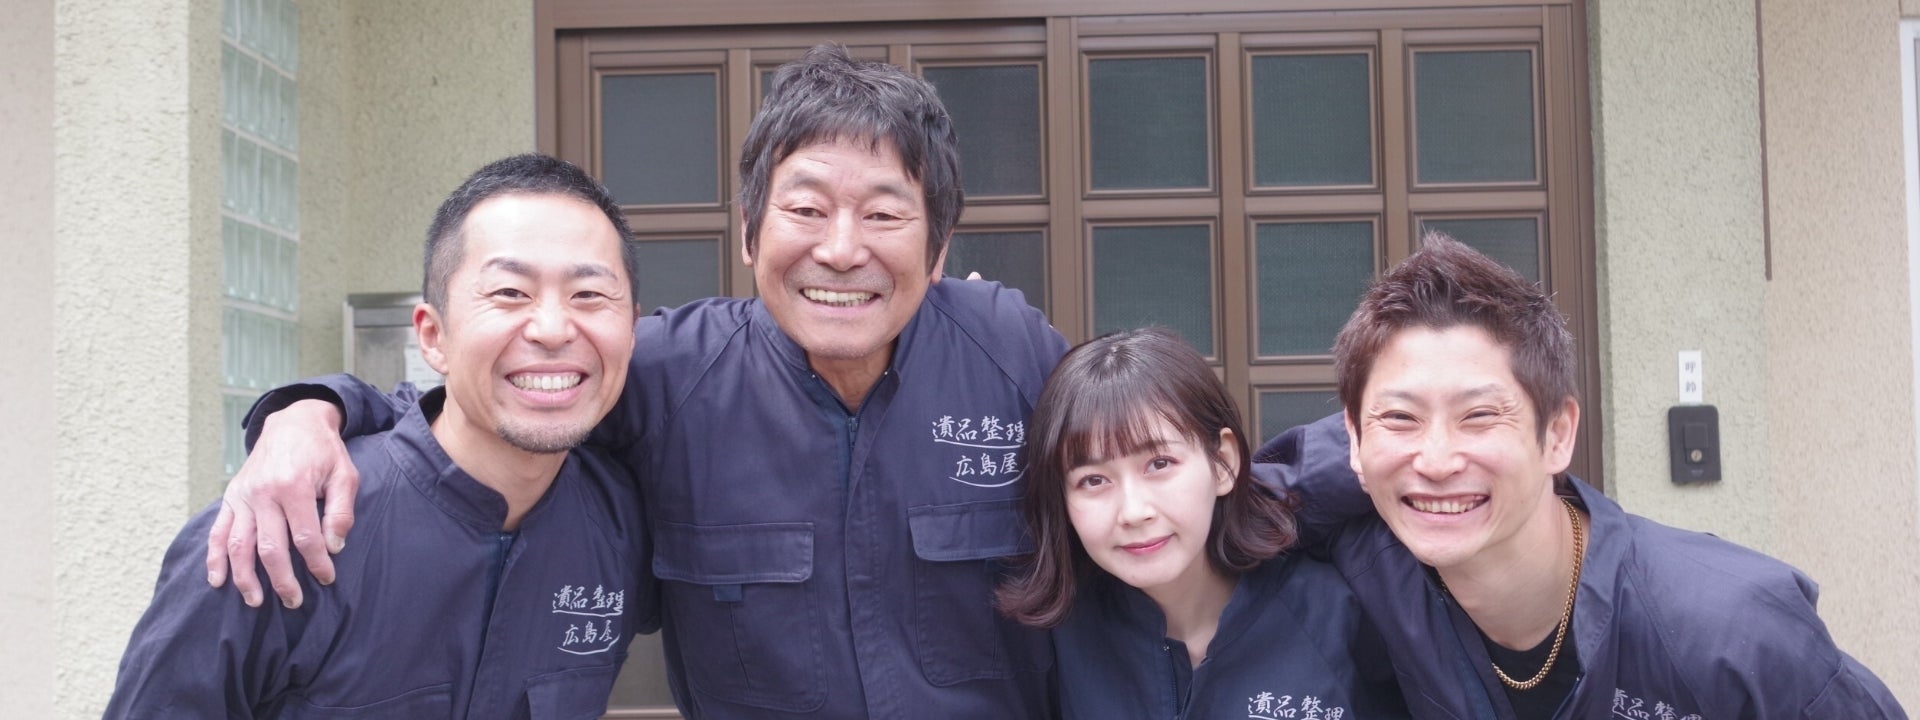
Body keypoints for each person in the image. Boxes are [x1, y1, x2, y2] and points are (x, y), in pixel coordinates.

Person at [206, 45, 1077, 718]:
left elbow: (1135, 450)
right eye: (806, 209)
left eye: (884, 214)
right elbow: (485, 401)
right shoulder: (673, 374)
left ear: (938, 249)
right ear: (749, 233)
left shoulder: (1008, 350)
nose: (842, 249)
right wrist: (307, 411)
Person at [106, 153, 654, 717]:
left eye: (589, 295)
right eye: (510, 292)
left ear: (633, 330)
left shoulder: (622, 524)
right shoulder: (275, 529)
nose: (553, 329)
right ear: (433, 336)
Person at [1288, 232, 1907, 718]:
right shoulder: (1377, 571)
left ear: (1558, 434)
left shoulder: (1731, 629)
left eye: (1479, 416)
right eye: (1400, 417)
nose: (1437, 460)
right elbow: (1241, 502)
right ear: (1353, 438)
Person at [997, 327, 1407, 720]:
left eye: (1160, 464)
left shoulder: (1337, 614)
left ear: (1223, 463)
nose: (1134, 511)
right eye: (1093, 480)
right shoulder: (1055, 640)